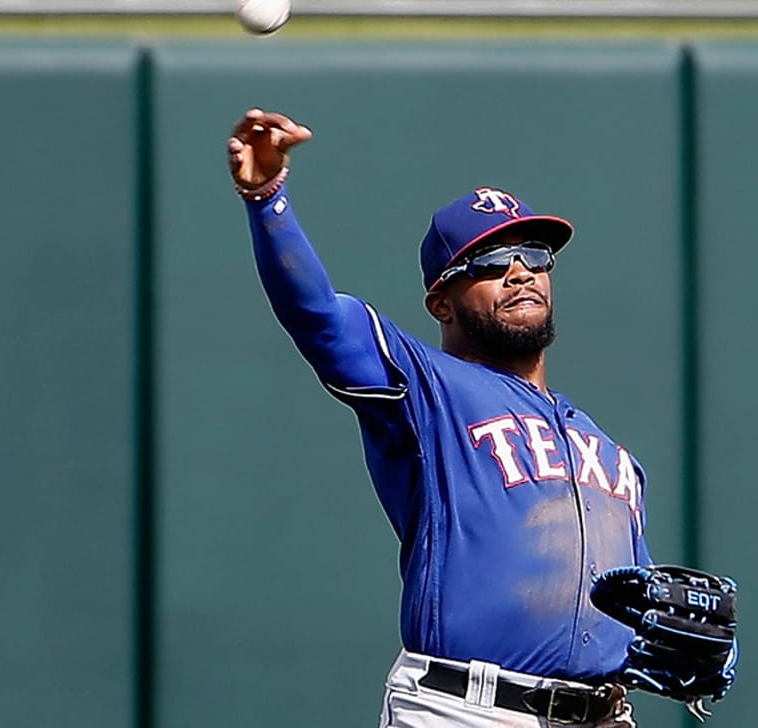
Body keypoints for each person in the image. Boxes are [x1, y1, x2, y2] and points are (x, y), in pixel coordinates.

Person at [228, 108, 652, 728]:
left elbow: (632, 609)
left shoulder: (610, 455)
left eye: (533, 255)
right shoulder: (426, 388)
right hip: (466, 708)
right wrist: (267, 199)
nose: (519, 271)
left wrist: (663, 647)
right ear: (441, 302)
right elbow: (317, 315)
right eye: (488, 262)